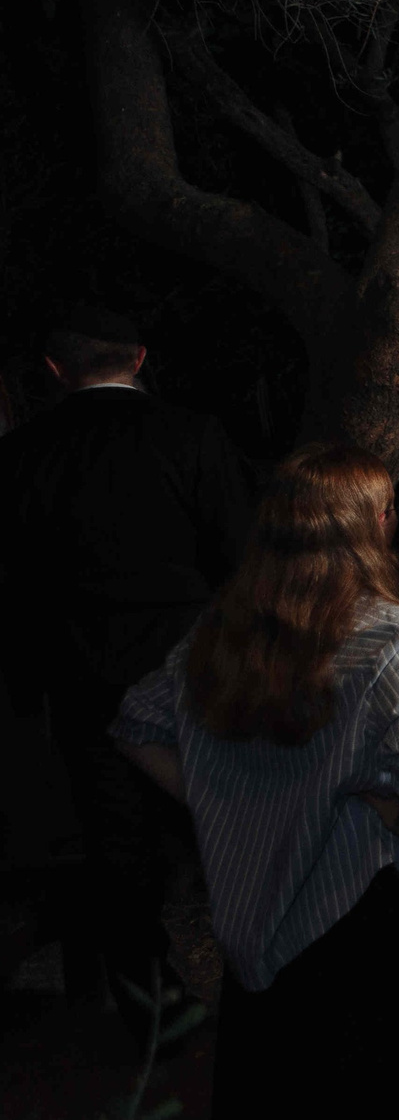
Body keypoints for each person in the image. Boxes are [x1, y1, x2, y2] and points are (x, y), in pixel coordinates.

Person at [111, 444, 399, 1120]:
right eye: (388, 508)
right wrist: (367, 795)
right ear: (367, 527)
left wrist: (227, 799)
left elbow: (136, 723)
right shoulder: (396, 635)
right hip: (378, 933)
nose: (397, 520)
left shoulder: (222, 634)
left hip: (264, 949)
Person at [0, 306, 254, 1045]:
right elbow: (240, 557)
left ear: (54, 370)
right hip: (193, 670)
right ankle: (265, 978)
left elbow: (13, 585)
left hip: (85, 681)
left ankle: (153, 999)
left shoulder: (21, 457)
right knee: (227, 823)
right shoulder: (192, 436)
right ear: (140, 357)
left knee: (117, 845)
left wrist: (29, 684)